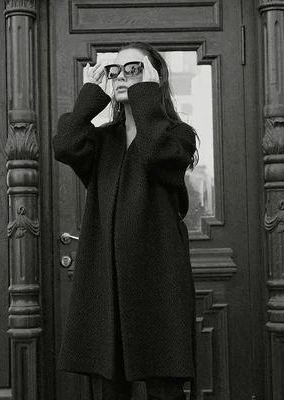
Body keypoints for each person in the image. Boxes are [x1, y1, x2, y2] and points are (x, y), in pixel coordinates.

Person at [53, 42, 198, 400]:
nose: (121, 76)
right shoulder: (101, 141)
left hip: (160, 277)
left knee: (165, 389)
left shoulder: (178, 136)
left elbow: (155, 154)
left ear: (153, 79)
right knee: (110, 388)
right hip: (108, 280)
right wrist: (92, 94)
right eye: (114, 70)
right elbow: (65, 145)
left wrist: (145, 97)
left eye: (133, 68)